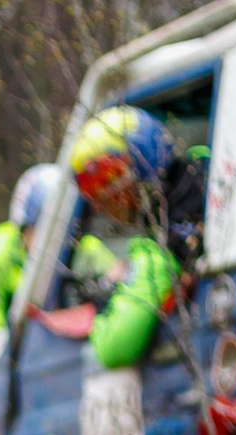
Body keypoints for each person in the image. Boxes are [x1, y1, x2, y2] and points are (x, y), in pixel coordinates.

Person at [68, 104, 206, 370]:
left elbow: (113, 349)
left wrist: (96, 316)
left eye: (108, 182)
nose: (101, 204)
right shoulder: (201, 179)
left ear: (142, 169)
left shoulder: (159, 252)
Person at [0, 163, 113, 359]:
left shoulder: (84, 248)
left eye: (64, 229)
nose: (55, 239)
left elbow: (116, 279)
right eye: (43, 229)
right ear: (24, 227)